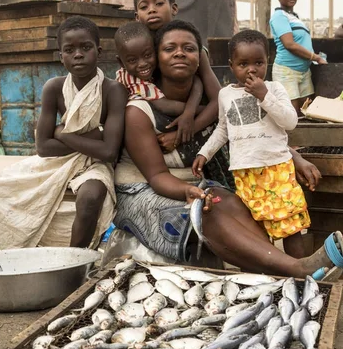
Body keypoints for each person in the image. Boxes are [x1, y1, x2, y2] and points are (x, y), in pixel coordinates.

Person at [114, 19, 342, 278]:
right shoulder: (138, 111)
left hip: (195, 183)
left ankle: (275, 272)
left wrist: (295, 156)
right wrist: (189, 190)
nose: (180, 53)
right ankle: (298, 269)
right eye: (169, 49)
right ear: (156, 57)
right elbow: (156, 177)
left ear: (199, 58)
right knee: (209, 211)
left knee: (233, 203)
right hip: (145, 188)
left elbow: (250, 133)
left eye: (188, 48)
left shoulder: (219, 98)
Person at [0, 16, 128, 250]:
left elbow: (109, 151)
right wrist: (95, 136)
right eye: (69, 50)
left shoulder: (112, 90)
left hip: (95, 164)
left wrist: (63, 135)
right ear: (60, 56)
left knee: (91, 197)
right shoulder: (54, 88)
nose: (78, 55)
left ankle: (74, 260)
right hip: (57, 161)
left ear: (99, 51)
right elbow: (43, 147)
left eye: (86, 47)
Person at [192, 29, 310, 259]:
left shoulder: (275, 89)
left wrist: (264, 96)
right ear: (231, 65)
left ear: (269, 61)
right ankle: (270, 273)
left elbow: (290, 122)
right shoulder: (226, 95)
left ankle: (300, 273)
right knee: (256, 230)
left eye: (258, 62)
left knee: (289, 227)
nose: (251, 69)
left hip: (277, 169)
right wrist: (204, 153)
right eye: (243, 64)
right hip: (245, 174)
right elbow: (223, 130)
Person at [134, 0, 222, 152]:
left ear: (174, 8)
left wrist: (189, 120)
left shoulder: (192, 47)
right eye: (144, 7)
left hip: (198, 126)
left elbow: (218, 100)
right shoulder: (138, 53)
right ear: (137, 16)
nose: (152, 9)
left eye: (159, 3)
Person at [114, 21, 203, 145]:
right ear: (121, 62)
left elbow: (197, 81)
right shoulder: (134, 81)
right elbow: (164, 105)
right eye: (133, 60)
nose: (142, 63)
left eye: (147, 55)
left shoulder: (147, 70)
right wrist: (194, 111)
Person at [270, 0, 327, 115]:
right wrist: (316, 57)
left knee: (307, 112)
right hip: (287, 72)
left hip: (304, 72)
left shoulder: (295, 18)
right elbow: (289, 44)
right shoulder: (279, 16)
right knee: (292, 115)